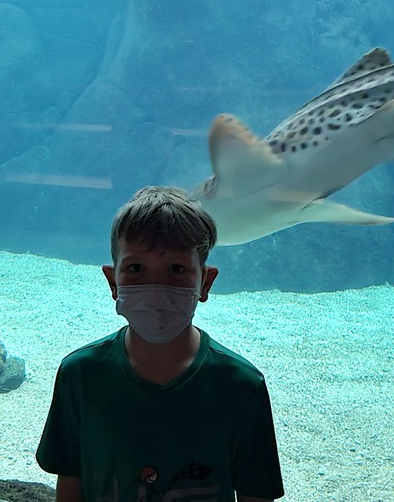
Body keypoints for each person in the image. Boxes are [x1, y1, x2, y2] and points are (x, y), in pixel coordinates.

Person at [36, 186, 284, 502]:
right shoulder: (80, 375)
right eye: (136, 268)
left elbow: (256, 494)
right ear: (113, 281)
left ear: (205, 282)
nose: (156, 287)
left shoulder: (241, 386)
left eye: (176, 269)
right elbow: (71, 483)